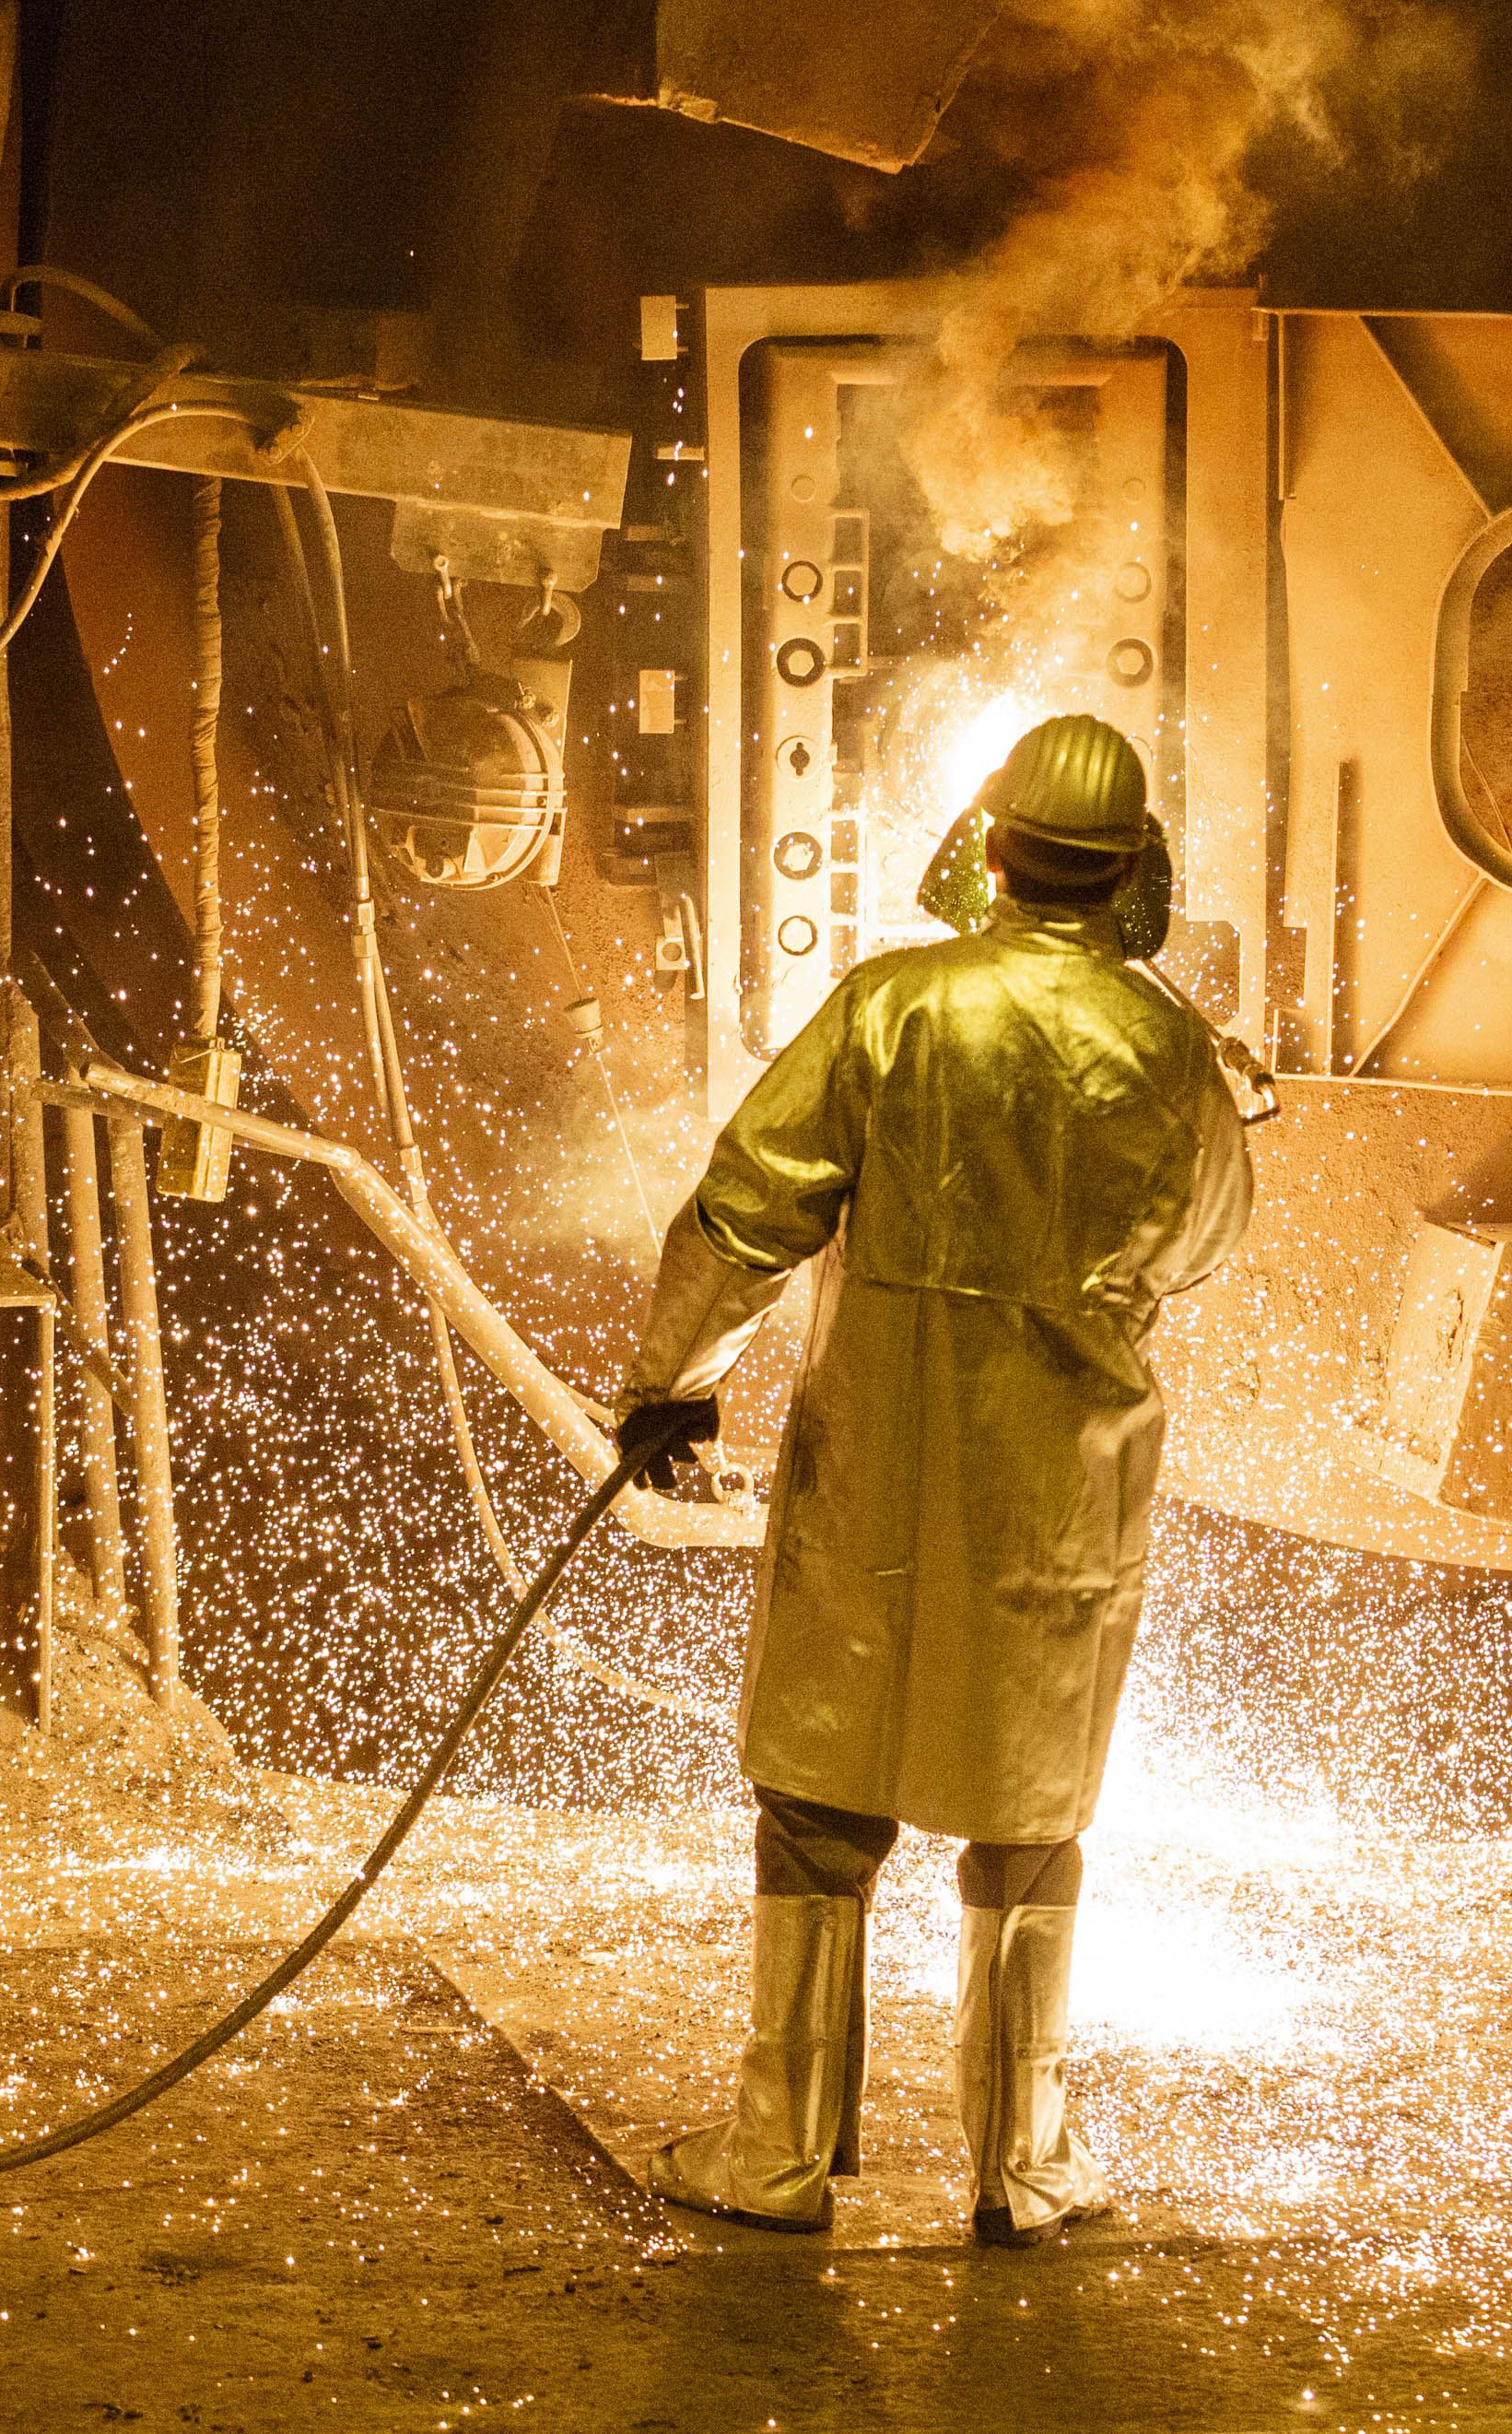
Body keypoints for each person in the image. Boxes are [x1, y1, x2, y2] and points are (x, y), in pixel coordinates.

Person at [615, 713, 1253, 2249]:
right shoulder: (1174, 1050)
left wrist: (670, 1385)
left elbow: (745, 1204)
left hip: (880, 1462)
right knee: (1032, 1813)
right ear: (1133, 876)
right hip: (1065, 1478)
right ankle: (1021, 2164)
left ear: (996, 845)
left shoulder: (895, 1002)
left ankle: (775, 2152)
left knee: (821, 1801)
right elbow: (1211, 1235)